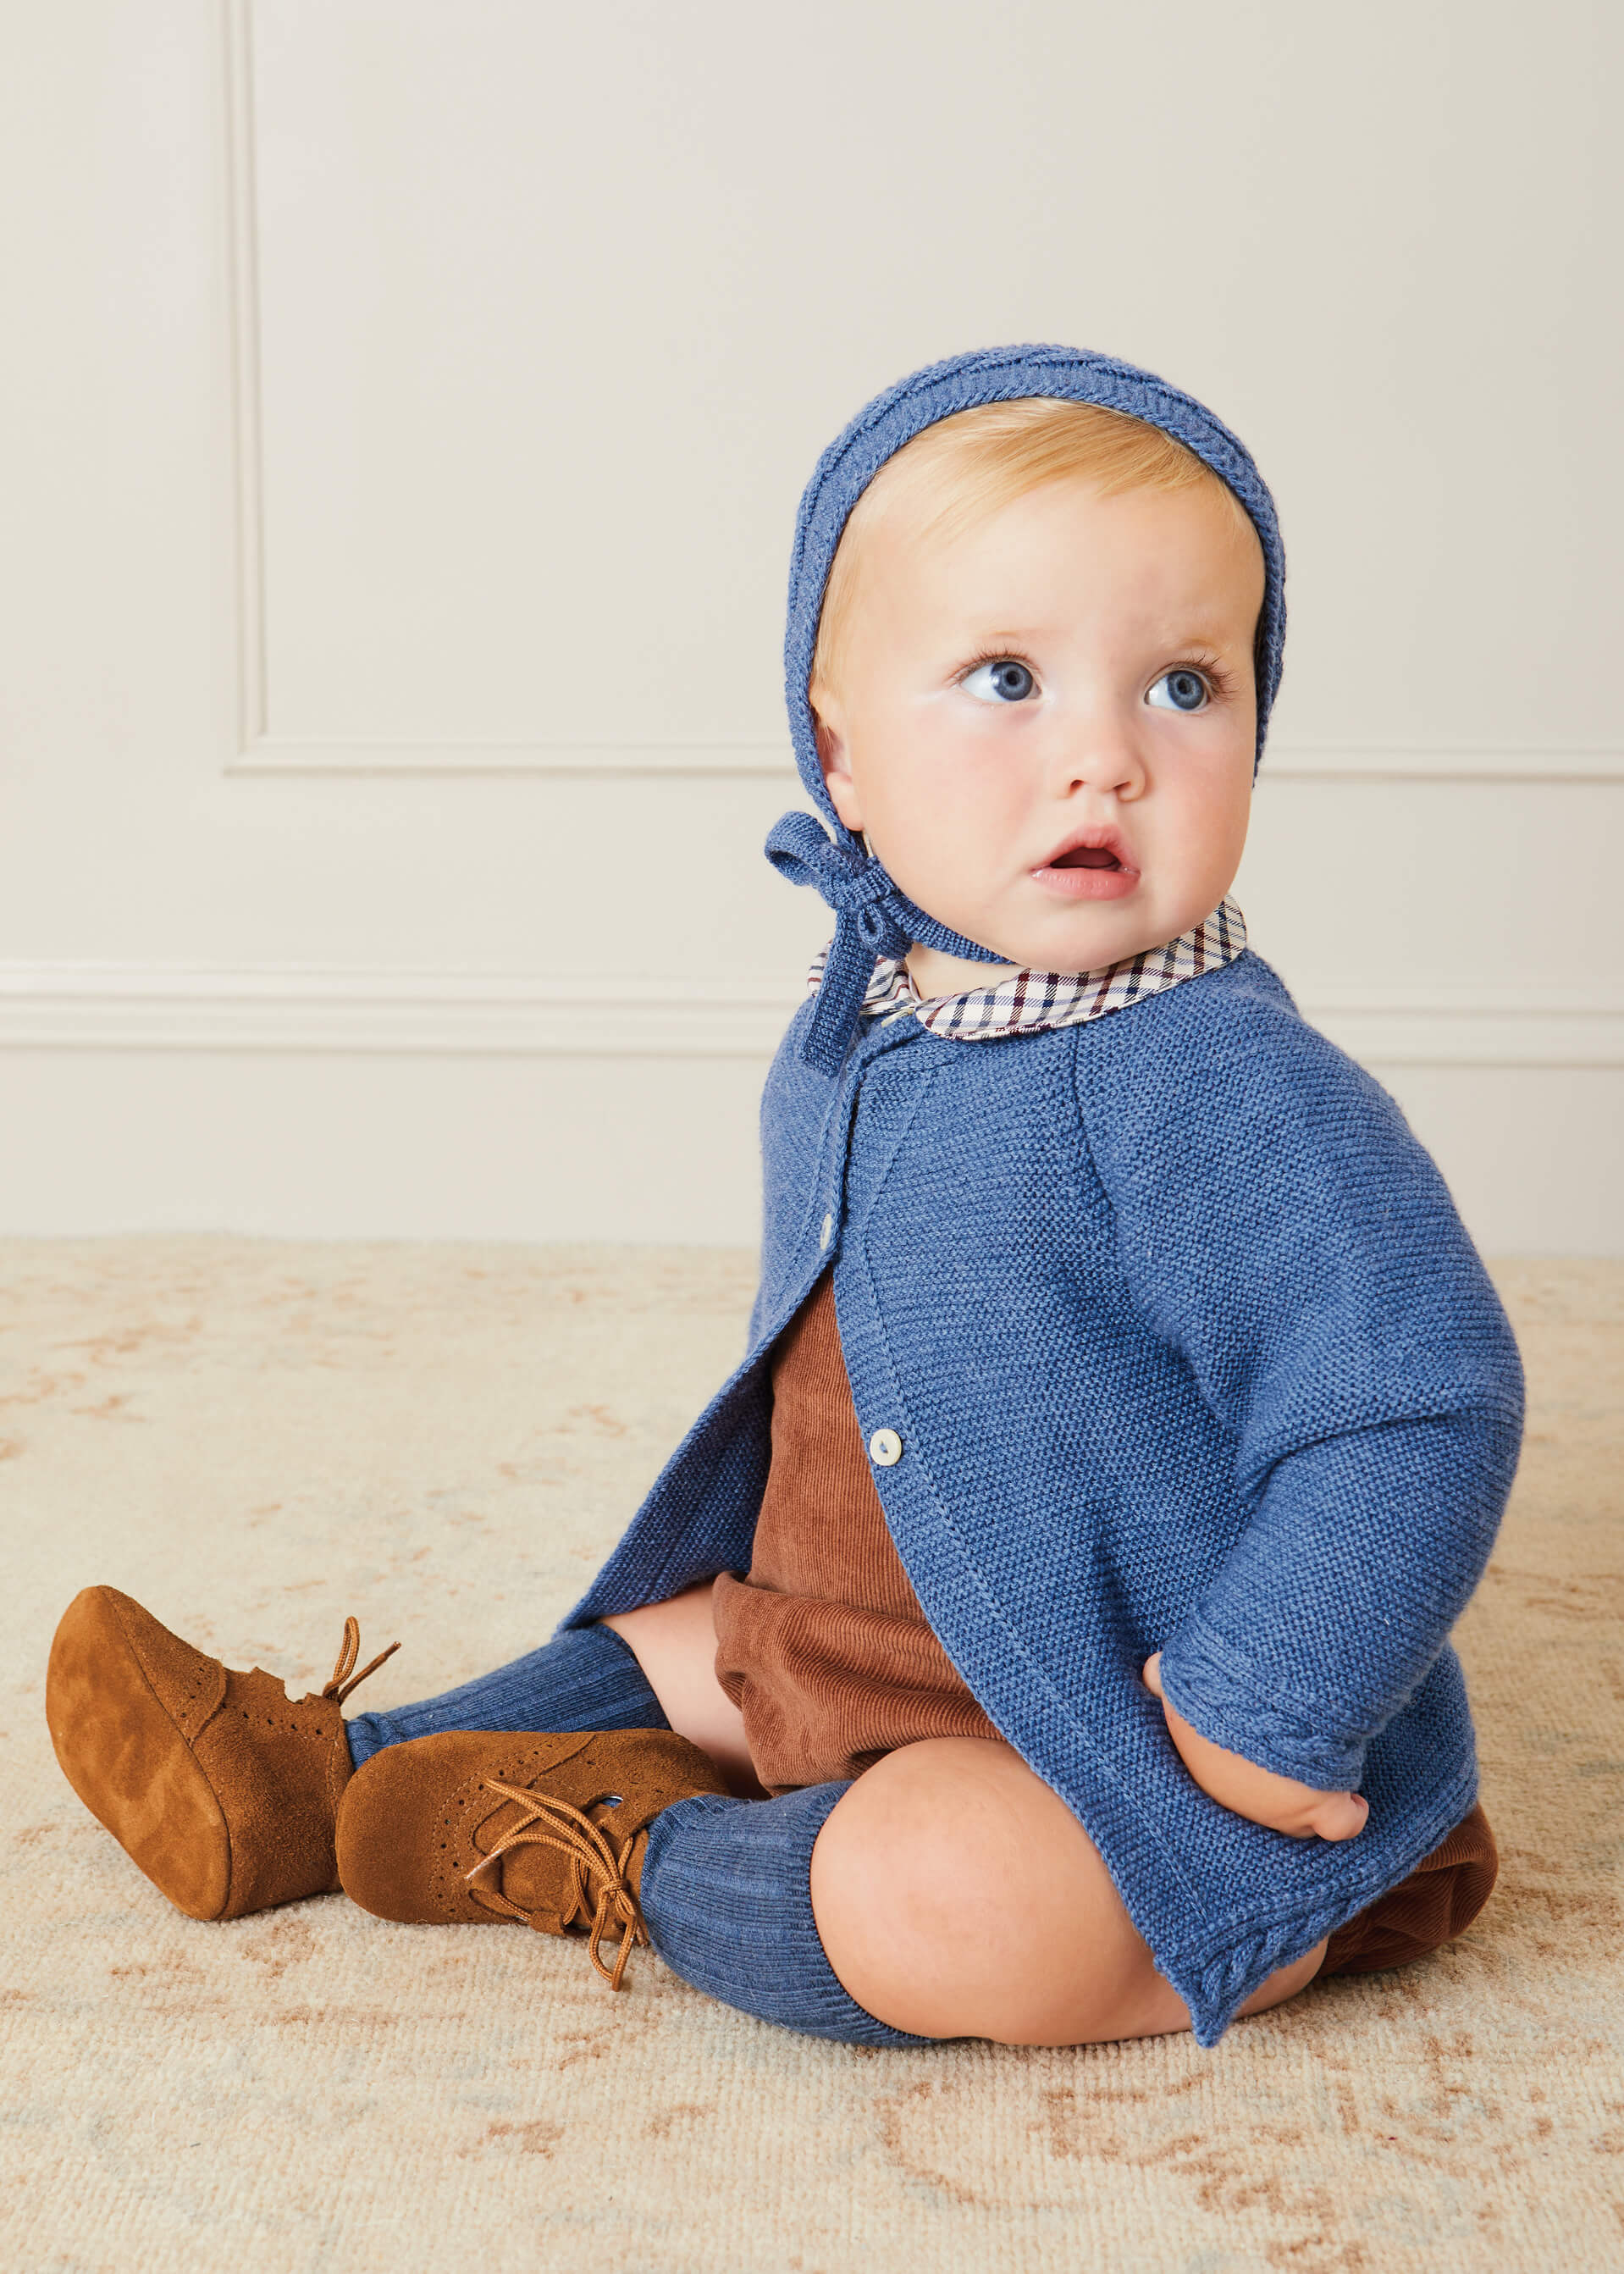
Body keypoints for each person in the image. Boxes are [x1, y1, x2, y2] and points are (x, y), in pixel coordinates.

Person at [46, 344, 1521, 2051]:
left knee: (942, 1888)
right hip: (860, 1642)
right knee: (676, 1637)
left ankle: (625, 1843)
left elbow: (1417, 1399)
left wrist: (1262, 1703)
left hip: (1123, 1745)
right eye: (1006, 677)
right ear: (840, 752)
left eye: (1183, 685)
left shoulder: (1214, 1080)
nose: (1103, 757)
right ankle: (317, 1779)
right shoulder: (869, 1020)